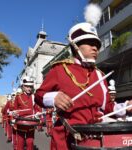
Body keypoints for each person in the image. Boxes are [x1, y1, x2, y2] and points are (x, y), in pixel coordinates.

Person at [34, 3, 132, 150]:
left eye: (97, 45)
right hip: (65, 140)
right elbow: (39, 95)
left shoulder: (100, 75)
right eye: (89, 43)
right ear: (75, 46)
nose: (95, 48)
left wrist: (125, 107)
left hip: (96, 138)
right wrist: (54, 98)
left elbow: (109, 108)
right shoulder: (60, 69)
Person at [13, 76, 38, 150]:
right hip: (21, 123)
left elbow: (36, 108)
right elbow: (15, 109)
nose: (29, 88)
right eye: (27, 86)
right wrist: (15, 114)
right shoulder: (18, 96)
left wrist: (37, 114)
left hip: (31, 123)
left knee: (30, 142)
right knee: (20, 142)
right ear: (23, 87)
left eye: (30, 86)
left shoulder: (34, 96)